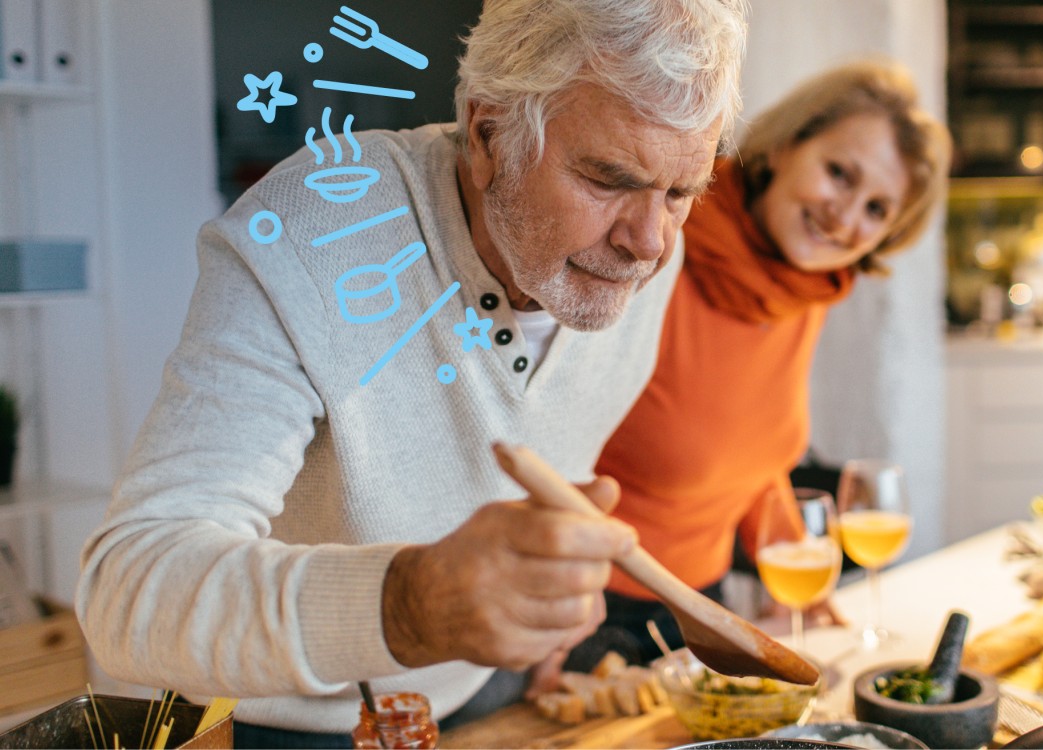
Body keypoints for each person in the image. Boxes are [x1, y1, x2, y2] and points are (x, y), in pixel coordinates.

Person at [74, 0, 746, 746]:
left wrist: (541, 603)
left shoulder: (638, 256)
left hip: (479, 694)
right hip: (271, 722)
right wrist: (407, 605)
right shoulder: (311, 239)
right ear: (489, 134)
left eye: (683, 191)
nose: (648, 241)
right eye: (607, 178)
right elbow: (130, 594)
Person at [581, 60, 951, 666]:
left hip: (704, 605)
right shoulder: (655, 242)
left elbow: (751, 455)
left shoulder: (802, 289)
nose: (844, 218)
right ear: (785, 146)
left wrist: (797, 574)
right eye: (838, 173)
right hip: (591, 616)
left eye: (877, 209)